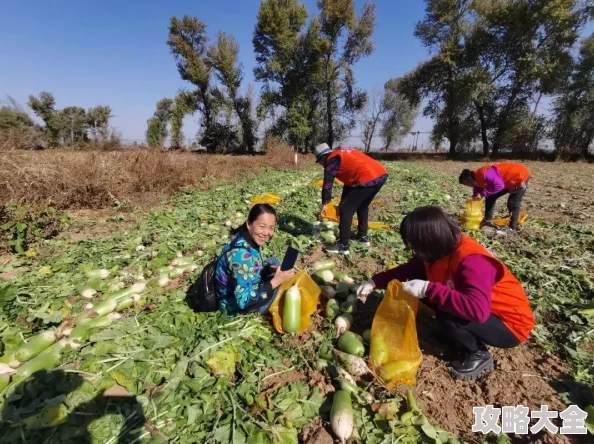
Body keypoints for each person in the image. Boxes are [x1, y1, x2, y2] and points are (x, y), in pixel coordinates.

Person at [355, 206, 535, 381]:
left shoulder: (472, 261)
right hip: (485, 312)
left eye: (415, 246)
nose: (414, 252)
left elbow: (477, 311)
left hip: (509, 326)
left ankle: (477, 353)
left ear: (430, 241)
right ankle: (454, 335)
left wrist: (428, 289)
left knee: (448, 317)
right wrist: (375, 282)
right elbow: (411, 269)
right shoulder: (439, 250)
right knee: (429, 292)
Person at [214, 204, 296, 316]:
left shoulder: (242, 237)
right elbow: (244, 301)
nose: (266, 233)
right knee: (282, 286)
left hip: (236, 286)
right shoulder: (242, 257)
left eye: (271, 228)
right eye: (262, 226)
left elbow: (250, 266)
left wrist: (269, 270)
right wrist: (276, 281)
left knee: (273, 262)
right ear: (249, 224)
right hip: (235, 307)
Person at [314, 143, 388, 255]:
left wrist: (325, 204)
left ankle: (343, 246)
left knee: (346, 210)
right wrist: (342, 202)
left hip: (367, 177)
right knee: (362, 206)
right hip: (380, 174)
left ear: (323, 157)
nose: (321, 165)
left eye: (320, 162)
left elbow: (327, 184)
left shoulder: (331, 160)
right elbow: (349, 184)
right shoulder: (341, 154)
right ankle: (363, 237)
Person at [459, 162, 530, 231]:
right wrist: (476, 195)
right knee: (490, 196)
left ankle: (512, 228)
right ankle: (488, 220)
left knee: (513, 202)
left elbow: (499, 186)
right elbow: (478, 186)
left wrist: (482, 194)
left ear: (469, 179)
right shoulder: (476, 176)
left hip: (519, 176)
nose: (467, 186)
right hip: (505, 181)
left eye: (466, 184)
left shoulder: (484, 174)